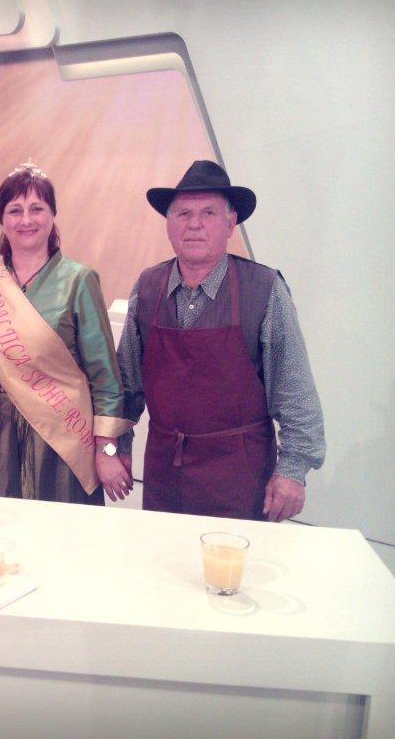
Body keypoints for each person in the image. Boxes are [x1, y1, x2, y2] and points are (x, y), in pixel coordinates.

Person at [116, 160, 325, 522]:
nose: (194, 223)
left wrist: (293, 469)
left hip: (240, 475)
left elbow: (295, 390)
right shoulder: (148, 287)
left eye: (209, 212)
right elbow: (126, 384)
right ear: (168, 225)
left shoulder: (264, 290)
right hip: (164, 470)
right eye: (183, 213)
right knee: (163, 555)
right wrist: (115, 445)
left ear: (230, 224)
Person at [0, 163, 134, 505]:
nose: (26, 220)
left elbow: (105, 377)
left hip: (59, 437)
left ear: (53, 214)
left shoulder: (78, 281)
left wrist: (107, 449)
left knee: (59, 529)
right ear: (1, 219)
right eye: (15, 210)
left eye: (37, 208)